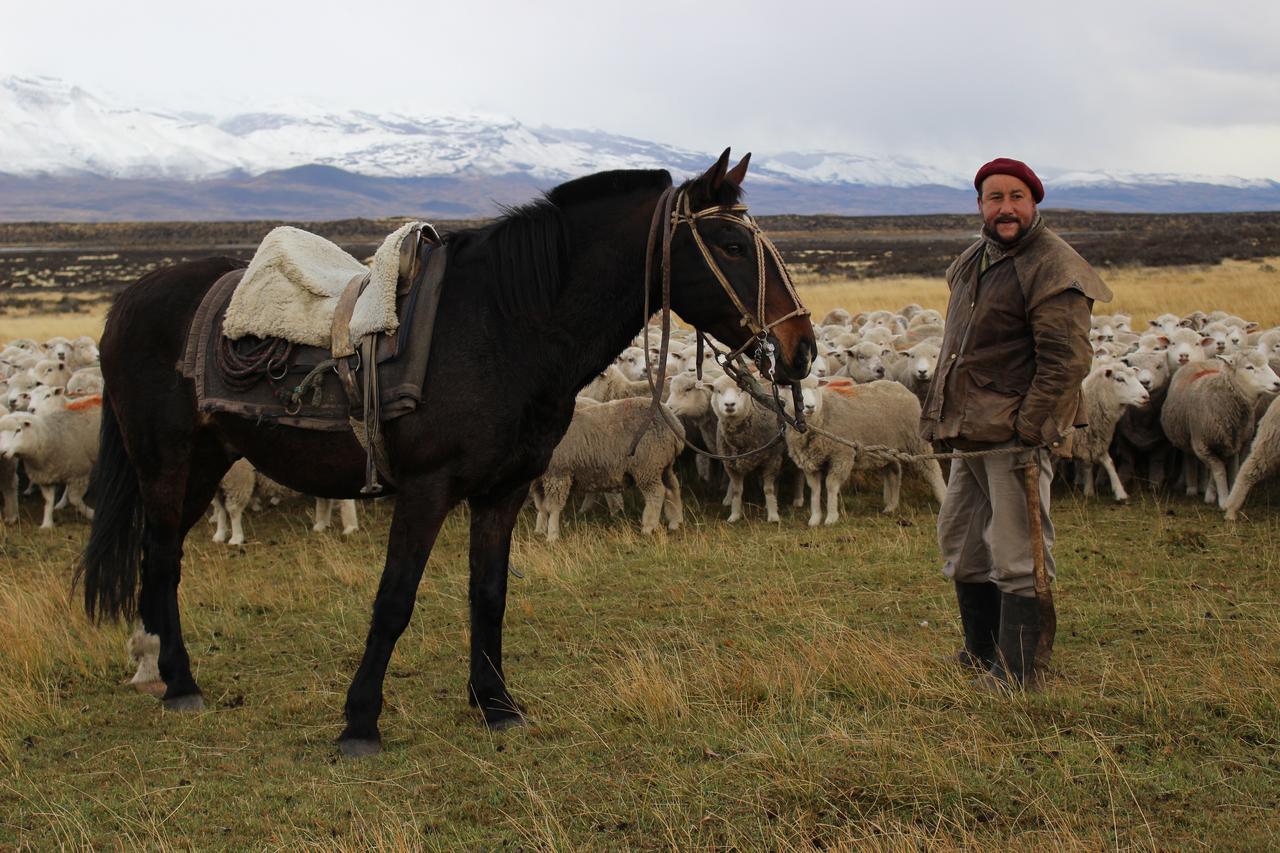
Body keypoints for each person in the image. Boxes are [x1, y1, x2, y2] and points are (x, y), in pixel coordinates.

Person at [919, 157, 1112, 690]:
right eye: (994, 197)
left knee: (1018, 549)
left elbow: (1067, 359)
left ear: (1034, 202)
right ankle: (981, 652)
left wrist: (1032, 428)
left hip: (1013, 435)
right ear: (980, 204)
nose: (1005, 208)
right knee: (961, 542)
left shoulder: (1054, 266)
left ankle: (1020, 670)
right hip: (969, 431)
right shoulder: (974, 258)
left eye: (1016, 197)